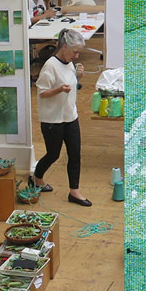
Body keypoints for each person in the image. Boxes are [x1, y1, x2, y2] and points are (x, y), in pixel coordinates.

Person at [32, 28, 92, 206]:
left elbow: (72, 84)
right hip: (52, 120)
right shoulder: (50, 65)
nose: (76, 56)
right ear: (64, 46)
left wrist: (77, 76)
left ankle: (74, 191)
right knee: (53, 154)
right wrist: (59, 89)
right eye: (75, 51)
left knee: (75, 154)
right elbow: (42, 93)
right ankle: (37, 177)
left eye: (78, 52)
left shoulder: (69, 63)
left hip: (70, 116)